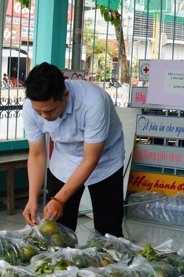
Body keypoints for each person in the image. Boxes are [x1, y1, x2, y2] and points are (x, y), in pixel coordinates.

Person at [21, 62, 125, 237]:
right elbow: (37, 154)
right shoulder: (31, 109)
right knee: (58, 228)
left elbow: (90, 159)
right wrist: (32, 200)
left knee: (108, 230)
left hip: (104, 161)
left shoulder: (93, 102)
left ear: (65, 95)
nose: (45, 116)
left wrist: (59, 199)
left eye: (50, 111)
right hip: (65, 158)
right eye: (39, 112)